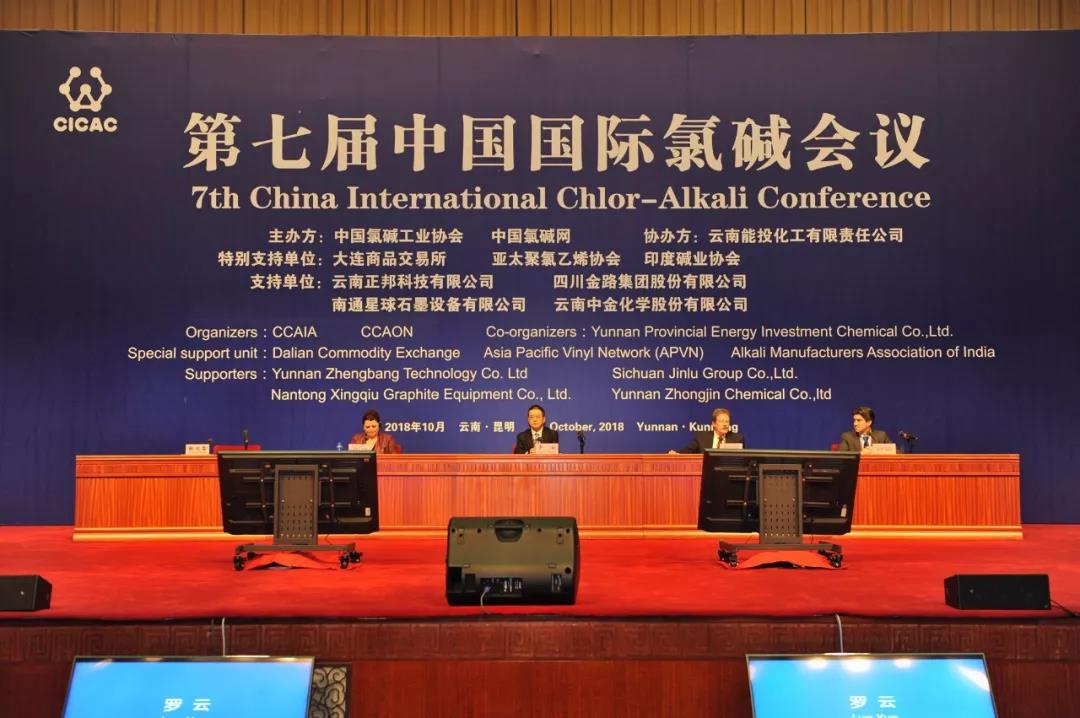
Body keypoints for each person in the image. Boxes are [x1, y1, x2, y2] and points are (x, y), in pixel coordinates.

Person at [670, 407, 745, 453]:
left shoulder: (737, 439)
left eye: (727, 421)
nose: (725, 424)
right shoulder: (701, 437)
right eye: (721, 421)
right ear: (714, 424)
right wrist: (676, 454)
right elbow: (688, 450)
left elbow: (743, 460)